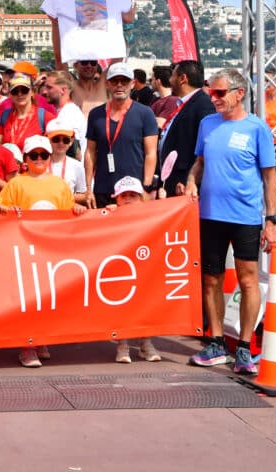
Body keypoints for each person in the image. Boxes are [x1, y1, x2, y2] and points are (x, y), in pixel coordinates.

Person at [185, 69, 276, 376]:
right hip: (210, 215)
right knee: (210, 279)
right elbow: (199, 163)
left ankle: (243, 347)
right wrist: (190, 182)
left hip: (245, 217)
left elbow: (269, 176)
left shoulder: (257, 128)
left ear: (239, 93)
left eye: (219, 93)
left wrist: (271, 219)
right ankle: (215, 343)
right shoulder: (207, 124)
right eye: (211, 92)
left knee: (248, 279)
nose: (213, 99)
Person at [0, 135, 87, 367]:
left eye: (43, 155)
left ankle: (41, 339)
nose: (39, 159)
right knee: (28, 298)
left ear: (50, 157)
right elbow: (0, 209)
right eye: (33, 155)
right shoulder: (16, 183)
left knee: (47, 298)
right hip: (24, 250)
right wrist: (6, 209)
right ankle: (27, 347)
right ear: (25, 159)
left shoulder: (59, 184)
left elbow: (67, 213)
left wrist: (76, 208)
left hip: (51, 251)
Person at [103, 176, 163, 364]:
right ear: (116, 198)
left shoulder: (150, 215)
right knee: (122, 306)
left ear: (141, 198)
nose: (128, 199)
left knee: (146, 304)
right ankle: (123, 344)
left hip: (145, 269)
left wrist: (165, 199)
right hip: (121, 271)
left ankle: (146, 344)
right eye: (123, 196)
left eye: (133, 195)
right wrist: (108, 214)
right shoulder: (111, 215)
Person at [84, 63, 159, 208]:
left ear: (132, 84)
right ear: (107, 84)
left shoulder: (145, 113)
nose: (119, 85)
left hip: (132, 192)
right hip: (103, 189)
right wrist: (88, 188)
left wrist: (146, 187)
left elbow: (151, 153)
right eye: (114, 81)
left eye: (124, 81)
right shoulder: (96, 114)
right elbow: (90, 152)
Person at [158, 60, 215, 198]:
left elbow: (204, 147)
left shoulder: (202, 105)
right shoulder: (184, 103)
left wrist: (191, 180)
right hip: (173, 181)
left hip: (184, 185)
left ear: (183, 78)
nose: (170, 80)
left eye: (172, 76)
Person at [0, 75, 50, 151]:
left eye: (24, 90)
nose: (19, 94)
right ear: (10, 95)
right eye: (15, 91)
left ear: (32, 92)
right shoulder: (5, 116)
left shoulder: (45, 116)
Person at [41, 70, 85, 154]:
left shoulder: (70, 114)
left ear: (63, 90)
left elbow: (74, 150)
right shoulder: (65, 112)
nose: (44, 91)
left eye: (49, 87)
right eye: (45, 87)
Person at [46, 118, 87, 203]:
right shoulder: (39, 163)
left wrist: (64, 197)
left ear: (71, 141)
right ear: (48, 140)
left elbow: (84, 195)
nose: (61, 143)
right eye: (56, 139)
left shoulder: (77, 166)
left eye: (65, 140)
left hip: (67, 213)